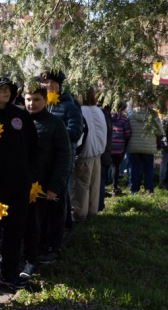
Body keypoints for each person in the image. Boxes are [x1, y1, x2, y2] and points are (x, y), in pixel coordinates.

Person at [0, 72, 37, 290]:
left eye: (9, 88)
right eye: (1, 87)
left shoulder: (20, 115)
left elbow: (34, 146)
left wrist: (30, 173)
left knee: (16, 229)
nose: (7, 91)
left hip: (20, 185)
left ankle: (10, 272)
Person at [21, 80, 71, 279]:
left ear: (45, 99)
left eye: (36, 99)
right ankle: (29, 253)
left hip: (47, 184)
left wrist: (55, 186)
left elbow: (63, 157)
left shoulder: (55, 124)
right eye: (28, 99)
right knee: (29, 223)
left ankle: (48, 251)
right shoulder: (21, 121)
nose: (32, 103)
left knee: (47, 221)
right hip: (26, 183)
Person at [38, 69, 83, 263]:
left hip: (62, 161)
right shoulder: (41, 104)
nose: (47, 85)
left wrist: (52, 129)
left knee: (59, 201)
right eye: (44, 82)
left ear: (59, 85)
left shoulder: (68, 106)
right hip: (43, 163)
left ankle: (55, 244)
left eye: (50, 82)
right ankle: (41, 240)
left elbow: (75, 132)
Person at [73, 87, 107, 222]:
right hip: (97, 153)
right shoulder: (98, 110)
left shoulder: (81, 111)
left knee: (82, 185)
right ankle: (92, 211)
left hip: (85, 153)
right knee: (94, 184)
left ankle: (80, 213)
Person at [126, 103, 163, 194]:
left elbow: (127, 130)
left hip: (133, 146)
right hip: (148, 146)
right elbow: (160, 132)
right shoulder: (153, 116)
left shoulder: (130, 116)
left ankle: (134, 189)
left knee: (134, 167)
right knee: (148, 168)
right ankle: (149, 190)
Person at [110, 102, 131, 194]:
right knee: (116, 166)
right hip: (119, 147)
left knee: (105, 166)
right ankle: (114, 187)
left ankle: (103, 185)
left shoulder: (106, 117)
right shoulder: (124, 119)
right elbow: (128, 134)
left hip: (107, 146)